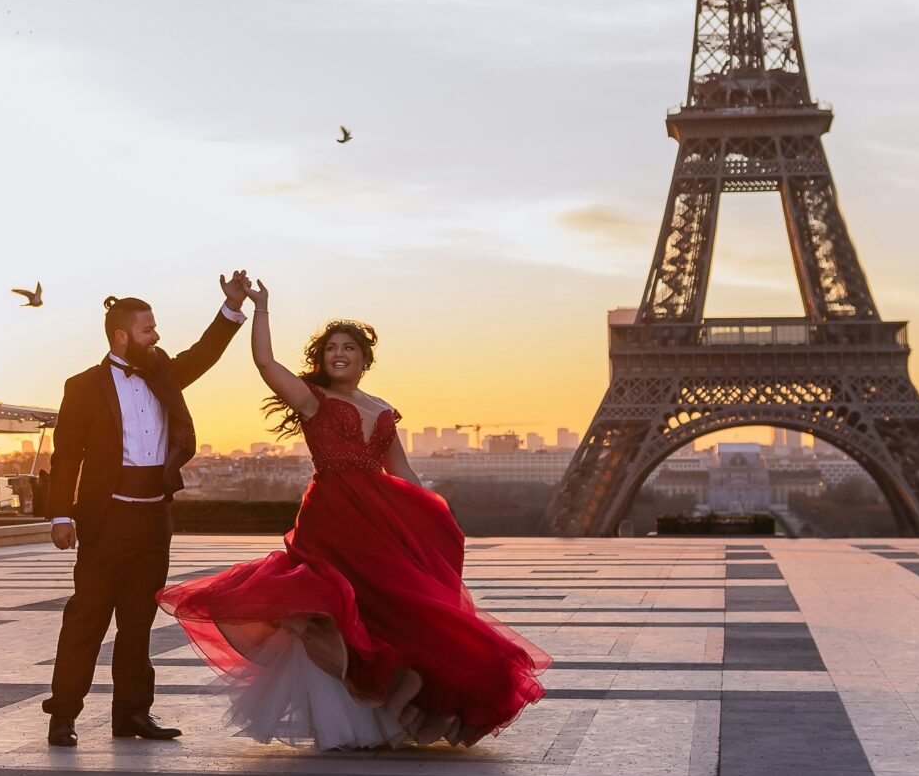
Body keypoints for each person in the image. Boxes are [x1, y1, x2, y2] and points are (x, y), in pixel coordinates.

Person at [159, 281, 548, 748]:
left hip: (380, 518)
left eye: (348, 348)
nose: (338, 354)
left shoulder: (382, 408)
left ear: (365, 358)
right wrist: (261, 309)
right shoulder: (312, 399)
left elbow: (400, 469)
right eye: (331, 349)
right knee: (338, 605)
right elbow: (266, 363)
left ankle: (389, 713)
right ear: (322, 359)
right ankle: (346, 720)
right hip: (334, 517)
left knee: (393, 608)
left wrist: (432, 521)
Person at [42, 273, 252, 748]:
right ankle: (63, 715)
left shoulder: (161, 372)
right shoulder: (81, 387)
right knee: (86, 620)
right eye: (147, 330)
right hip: (105, 519)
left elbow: (203, 354)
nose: (156, 336)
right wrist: (60, 516)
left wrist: (231, 308)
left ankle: (133, 715)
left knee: (138, 623)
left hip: (153, 519)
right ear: (121, 335)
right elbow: (65, 457)